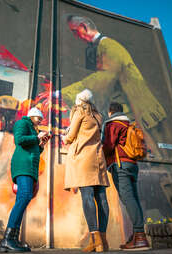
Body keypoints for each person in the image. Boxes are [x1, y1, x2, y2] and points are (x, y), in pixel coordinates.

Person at [61, 15, 172, 161]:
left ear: (83, 27)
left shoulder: (108, 46)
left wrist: (63, 93)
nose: (76, 37)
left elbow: (107, 76)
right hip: (142, 118)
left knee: (165, 161)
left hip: (147, 118)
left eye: (75, 32)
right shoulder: (103, 47)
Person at [62, 89, 110, 252]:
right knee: (102, 198)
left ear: (79, 101)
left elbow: (71, 136)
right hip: (98, 159)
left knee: (87, 196)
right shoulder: (98, 115)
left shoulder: (79, 112)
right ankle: (103, 241)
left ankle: (95, 241)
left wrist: (65, 137)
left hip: (83, 158)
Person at [0, 107, 50, 253]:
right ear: (32, 116)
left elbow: (34, 150)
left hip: (30, 167)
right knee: (24, 197)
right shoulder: (22, 123)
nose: (40, 121)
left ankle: (12, 240)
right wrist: (37, 137)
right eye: (39, 118)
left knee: (23, 198)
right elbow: (19, 140)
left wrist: (41, 144)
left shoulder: (33, 130)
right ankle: (8, 239)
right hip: (23, 166)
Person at [102, 102, 149, 250]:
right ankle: (137, 236)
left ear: (110, 112)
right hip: (133, 165)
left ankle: (140, 236)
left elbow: (108, 146)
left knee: (128, 199)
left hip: (120, 165)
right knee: (133, 199)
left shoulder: (113, 124)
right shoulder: (129, 124)